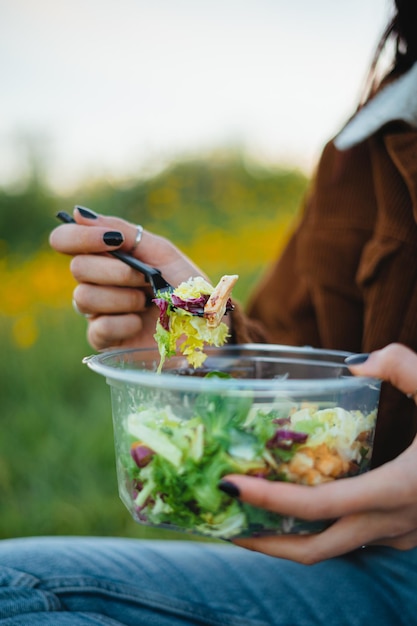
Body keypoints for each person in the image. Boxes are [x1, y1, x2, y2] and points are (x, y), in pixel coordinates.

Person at [2, 1, 417, 623]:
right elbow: (301, 357)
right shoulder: (377, 135)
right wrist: (203, 342)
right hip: (379, 562)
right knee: (15, 591)